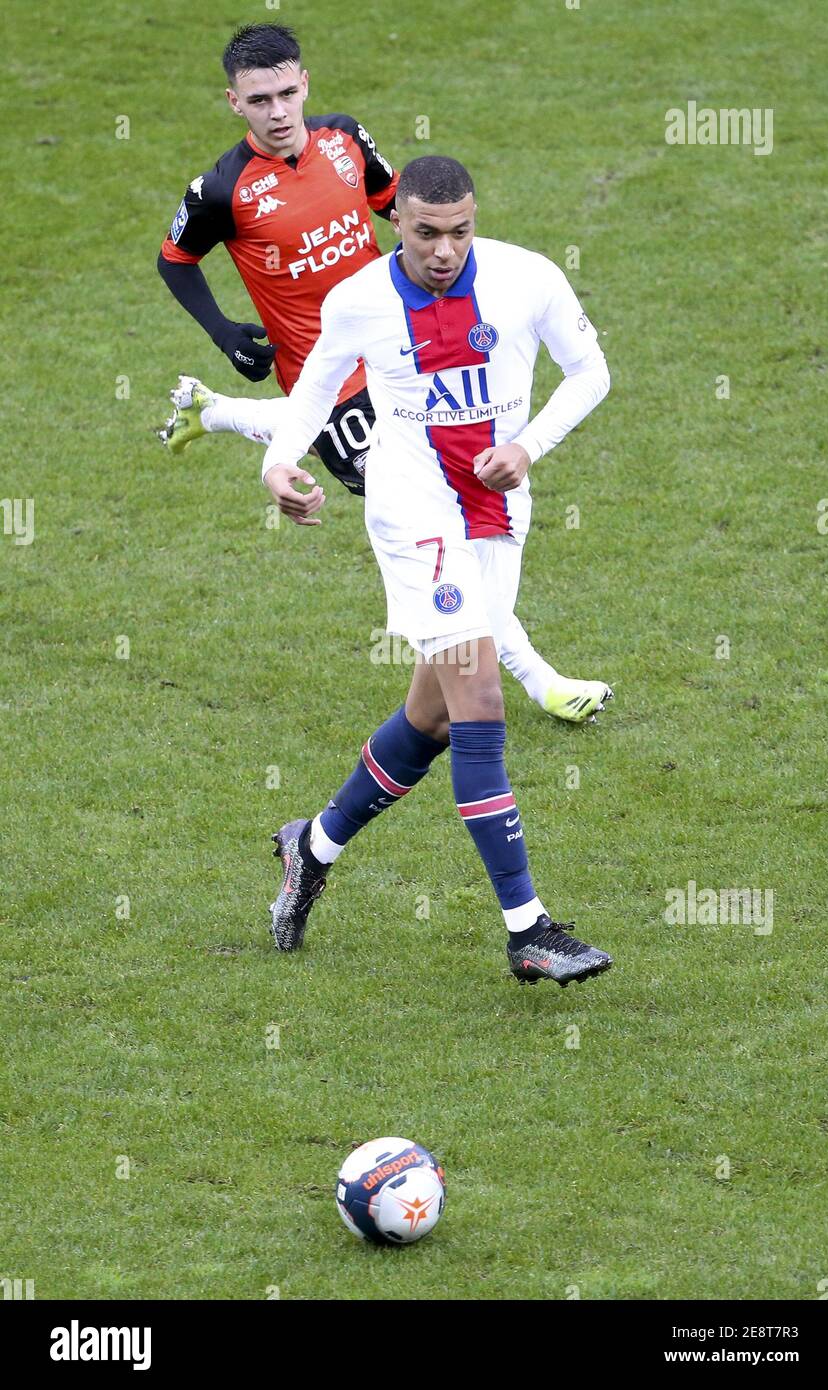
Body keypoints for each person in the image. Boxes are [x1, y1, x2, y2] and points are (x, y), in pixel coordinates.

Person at [157, 21, 612, 725]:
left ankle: (207, 411)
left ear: (304, 84)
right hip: (326, 373)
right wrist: (222, 333)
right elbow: (174, 259)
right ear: (233, 102)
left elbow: (400, 210)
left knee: (462, 509)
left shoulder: (344, 140)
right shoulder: (222, 189)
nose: (277, 112)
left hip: (404, 351)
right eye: (258, 100)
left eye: (286, 93)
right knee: (446, 521)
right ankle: (538, 680)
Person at [260, 155, 614, 987]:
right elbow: (312, 394)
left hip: (495, 507)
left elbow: (590, 372)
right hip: (412, 512)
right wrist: (277, 464)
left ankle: (310, 846)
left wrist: (528, 446)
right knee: (482, 699)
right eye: (426, 232)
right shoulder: (359, 301)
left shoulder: (527, 279)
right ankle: (529, 930)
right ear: (397, 224)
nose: (445, 249)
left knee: (436, 716)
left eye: (459, 231)